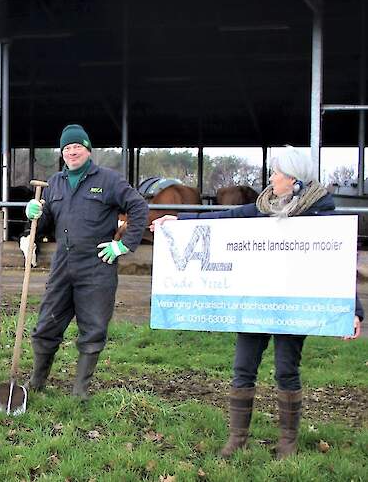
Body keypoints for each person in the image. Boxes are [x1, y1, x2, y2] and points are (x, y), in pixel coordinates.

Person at [150, 146, 364, 459]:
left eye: (277, 173)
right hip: (255, 304)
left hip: (294, 306)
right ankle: (237, 438)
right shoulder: (263, 207)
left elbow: (337, 264)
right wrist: (179, 220)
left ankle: (287, 442)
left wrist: (353, 311)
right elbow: (224, 219)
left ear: (294, 180)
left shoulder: (320, 216)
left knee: (286, 370)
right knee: (243, 368)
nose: (272, 178)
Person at [24, 124, 149, 400]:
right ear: (62, 153)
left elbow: (139, 206)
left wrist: (123, 245)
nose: (72, 152)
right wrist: (35, 213)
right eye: (67, 148)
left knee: (92, 328)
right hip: (62, 265)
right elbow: (44, 222)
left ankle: (80, 391)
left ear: (88, 150)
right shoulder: (54, 182)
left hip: (96, 267)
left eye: (77, 147)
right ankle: (36, 382)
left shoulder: (108, 180)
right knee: (47, 324)